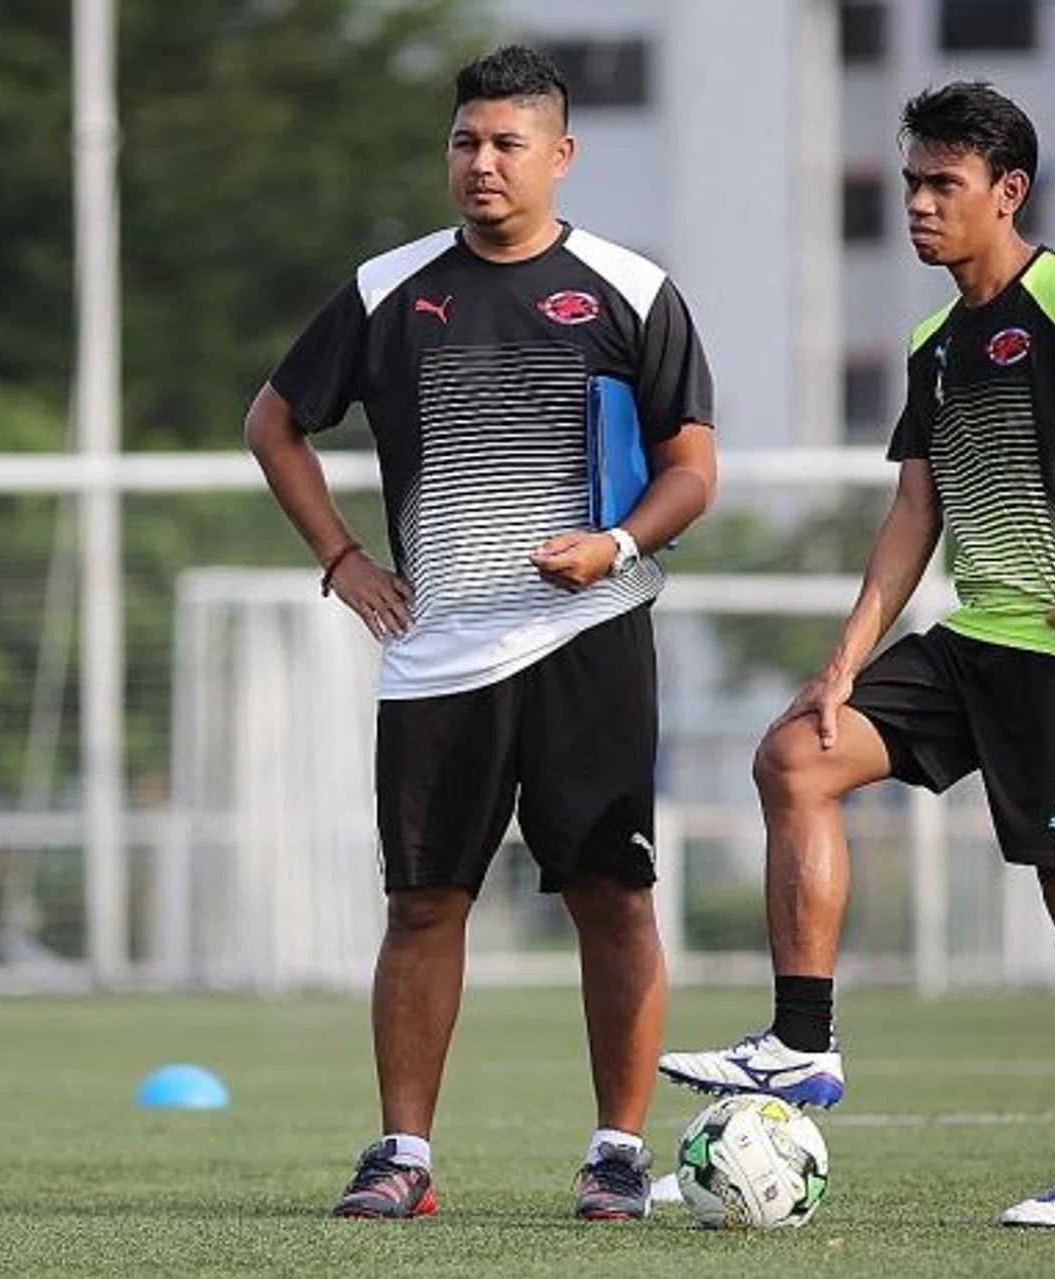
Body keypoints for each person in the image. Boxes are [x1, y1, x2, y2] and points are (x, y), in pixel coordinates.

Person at [658, 81, 1055, 1229]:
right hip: (972, 643)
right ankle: (804, 1042)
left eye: (941, 184)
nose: (917, 203)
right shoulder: (933, 339)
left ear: (1007, 193)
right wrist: (847, 658)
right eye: (911, 180)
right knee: (793, 757)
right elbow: (916, 509)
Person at [246, 44, 717, 1221]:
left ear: (561, 155)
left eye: (509, 143)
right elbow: (273, 423)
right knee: (423, 901)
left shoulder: (631, 289)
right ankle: (402, 1153)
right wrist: (345, 559)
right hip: (439, 653)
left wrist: (614, 546)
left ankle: (616, 1152)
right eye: (466, 141)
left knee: (611, 894)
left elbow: (693, 470)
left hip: (591, 640)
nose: (483, 163)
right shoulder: (387, 288)